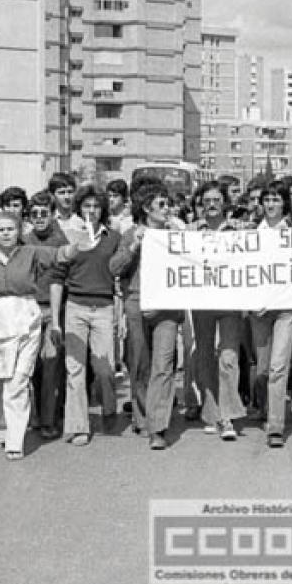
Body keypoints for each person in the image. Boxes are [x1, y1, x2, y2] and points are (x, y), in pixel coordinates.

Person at [0, 211, 72, 460]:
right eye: (0, 230)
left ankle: (15, 439)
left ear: (18, 231)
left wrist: (80, 247)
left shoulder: (31, 253)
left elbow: (60, 255)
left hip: (24, 319)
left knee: (18, 380)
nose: (5, 234)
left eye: (10, 229)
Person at [111, 182, 184, 449]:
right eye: (161, 205)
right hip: (137, 302)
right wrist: (133, 247)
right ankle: (142, 416)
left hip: (167, 306)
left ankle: (158, 426)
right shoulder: (131, 234)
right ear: (146, 209)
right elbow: (114, 268)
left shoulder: (175, 234)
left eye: (168, 204)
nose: (168, 209)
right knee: (140, 365)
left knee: (163, 366)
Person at [54, 187, 121, 446]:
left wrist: (119, 314)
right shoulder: (69, 238)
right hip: (76, 307)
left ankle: (108, 405)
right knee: (75, 370)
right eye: (86, 206)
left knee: (104, 368)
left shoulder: (113, 238)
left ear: (102, 209)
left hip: (103, 307)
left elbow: (117, 274)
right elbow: (58, 278)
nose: (91, 211)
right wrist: (58, 322)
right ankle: (78, 426)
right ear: (79, 209)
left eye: (96, 206)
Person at [185, 181, 247, 440]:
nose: (211, 205)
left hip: (231, 303)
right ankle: (211, 412)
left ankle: (228, 416)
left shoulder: (240, 230)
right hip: (202, 302)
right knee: (205, 356)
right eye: (206, 200)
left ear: (225, 203)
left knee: (229, 357)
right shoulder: (188, 232)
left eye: (216, 200)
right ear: (200, 204)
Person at [247, 180, 292, 448]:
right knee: (263, 368)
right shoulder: (249, 234)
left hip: (286, 310)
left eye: (276, 199)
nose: (270, 204)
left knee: (279, 366)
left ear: (284, 204)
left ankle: (276, 426)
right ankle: (265, 408)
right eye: (267, 199)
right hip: (258, 310)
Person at [23, 191, 68, 440]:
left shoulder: (60, 241)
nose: (39, 218)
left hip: (52, 309)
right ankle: (36, 415)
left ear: (52, 215)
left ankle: (50, 419)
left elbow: (62, 278)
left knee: (51, 363)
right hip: (28, 308)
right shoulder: (23, 240)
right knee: (32, 367)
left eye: (44, 213)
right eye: (35, 214)